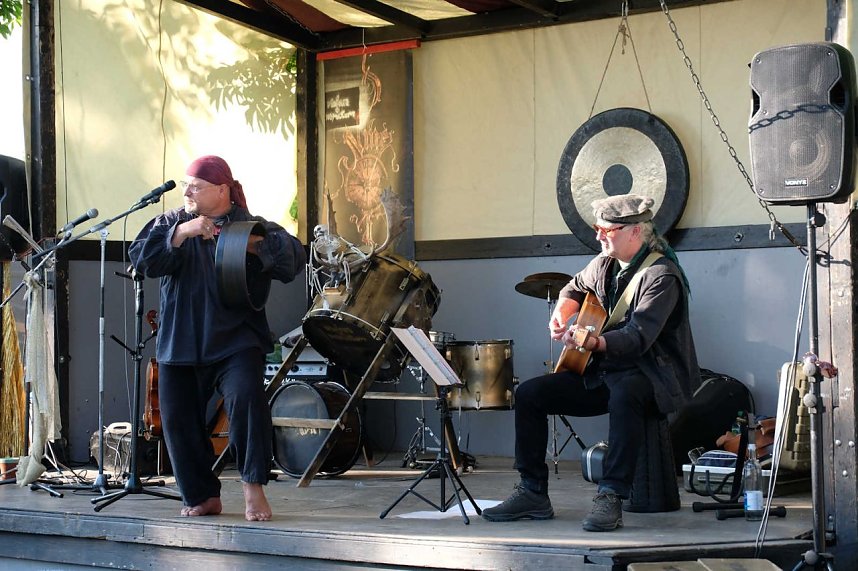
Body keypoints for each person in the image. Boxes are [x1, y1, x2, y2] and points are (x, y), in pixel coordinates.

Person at [482, 194, 699, 531]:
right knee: (529, 394)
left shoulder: (661, 276)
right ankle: (532, 491)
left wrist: (593, 341)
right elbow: (574, 286)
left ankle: (611, 495)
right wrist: (562, 311)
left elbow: (637, 338)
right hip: (604, 371)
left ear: (635, 232)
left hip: (650, 375)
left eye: (606, 229)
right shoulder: (604, 263)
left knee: (627, 395)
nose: (599, 235)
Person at [128, 155, 306, 521]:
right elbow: (142, 259)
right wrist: (182, 234)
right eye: (187, 184)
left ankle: (253, 489)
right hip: (181, 340)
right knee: (177, 419)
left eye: (197, 185)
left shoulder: (252, 225)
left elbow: (292, 259)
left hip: (236, 341)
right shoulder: (172, 222)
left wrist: (252, 245)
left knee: (246, 401)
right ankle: (203, 495)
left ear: (222, 189)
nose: (187, 191)